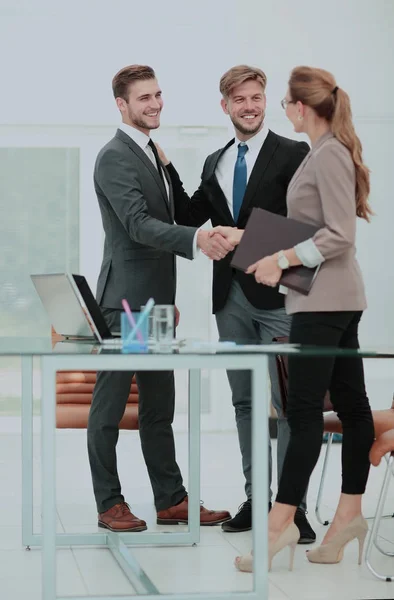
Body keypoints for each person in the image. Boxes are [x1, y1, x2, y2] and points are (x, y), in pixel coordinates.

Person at [155, 65, 315, 542]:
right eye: (239, 99)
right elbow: (189, 215)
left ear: (265, 101)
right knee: (245, 403)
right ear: (224, 106)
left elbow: (307, 227)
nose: (249, 106)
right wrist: (162, 167)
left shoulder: (294, 153)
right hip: (230, 301)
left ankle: (293, 509)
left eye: (256, 97)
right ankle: (257, 499)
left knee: (289, 405)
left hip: (281, 295)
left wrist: (247, 240)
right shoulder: (216, 161)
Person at [229, 65, 374, 571]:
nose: (282, 110)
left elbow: (338, 236)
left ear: (302, 107)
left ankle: (281, 522)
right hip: (331, 298)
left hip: (325, 302)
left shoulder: (329, 154)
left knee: (304, 410)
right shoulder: (324, 153)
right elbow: (313, 231)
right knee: (354, 408)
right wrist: (251, 245)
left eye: (286, 103)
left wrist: (282, 260)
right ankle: (348, 517)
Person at [87, 64, 232, 532]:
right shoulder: (115, 156)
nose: (154, 104)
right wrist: (197, 241)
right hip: (128, 305)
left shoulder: (149, 152)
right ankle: (109, 502)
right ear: (122, 105)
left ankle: (171, 500)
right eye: (143, 98)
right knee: (109, 408)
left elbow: (172, 208)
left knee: (158, 406)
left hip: (157, 305)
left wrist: (167, 165)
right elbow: (136, 225)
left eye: (157, 95)